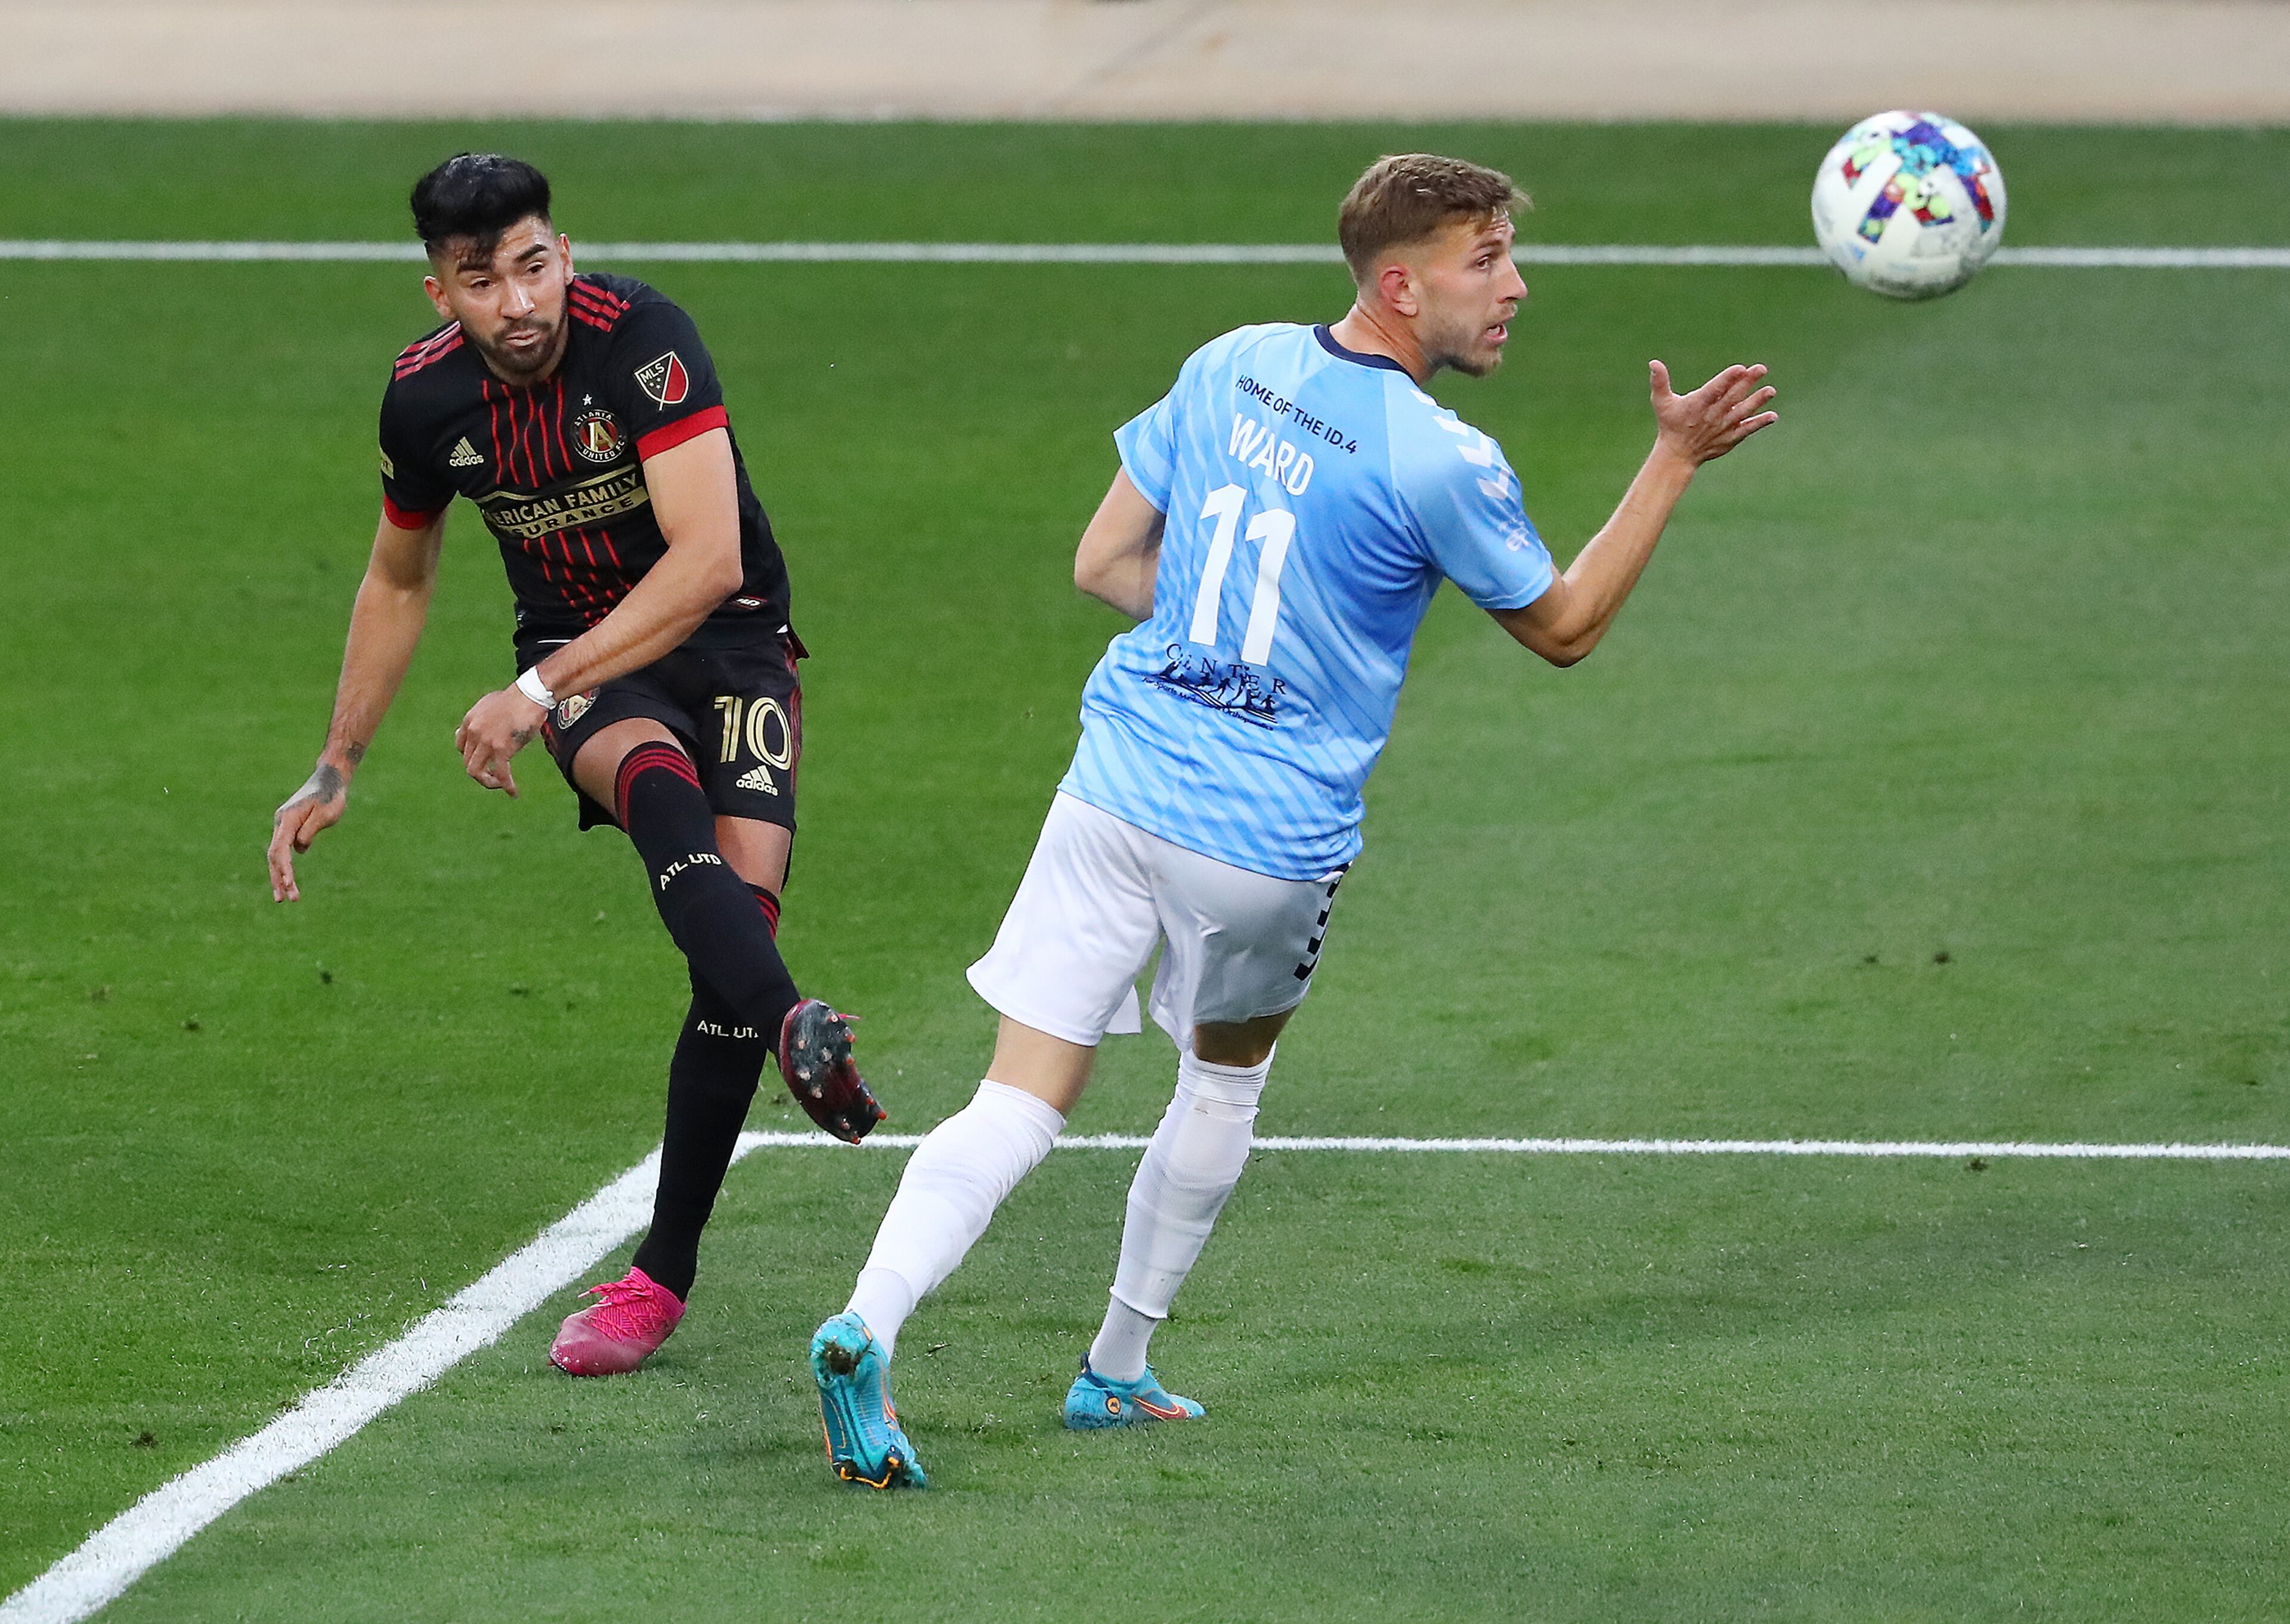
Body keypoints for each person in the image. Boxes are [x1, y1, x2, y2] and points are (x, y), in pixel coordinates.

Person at [804, 153, 1777, 1489]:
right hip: (1262, 844)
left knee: (1016, 1097)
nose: (1515, 287)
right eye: (1486, 260)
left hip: (1115, 781)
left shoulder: (1232, 362)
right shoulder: (1441, 458)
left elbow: (1102, 562)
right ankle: (1116, 1371)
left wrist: (1216, 650)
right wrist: (1672, 458)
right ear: (1402, 285)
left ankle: (868, 1322)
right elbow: (1565, 627)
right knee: (1223, 1080)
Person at [265, 153, 883, 1379]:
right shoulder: (425, 404)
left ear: (564, 252)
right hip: (588, 661)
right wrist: (336, 762)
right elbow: (398, 577)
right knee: (660, 799)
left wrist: (532, 694)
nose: (518, 302)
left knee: (733, 944)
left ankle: (663, 1270)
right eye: (481, 280)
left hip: (733, 645)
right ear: (440, 292)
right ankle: (793, 1030)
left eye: (533, 265)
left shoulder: (645, 341)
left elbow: (707, 562)